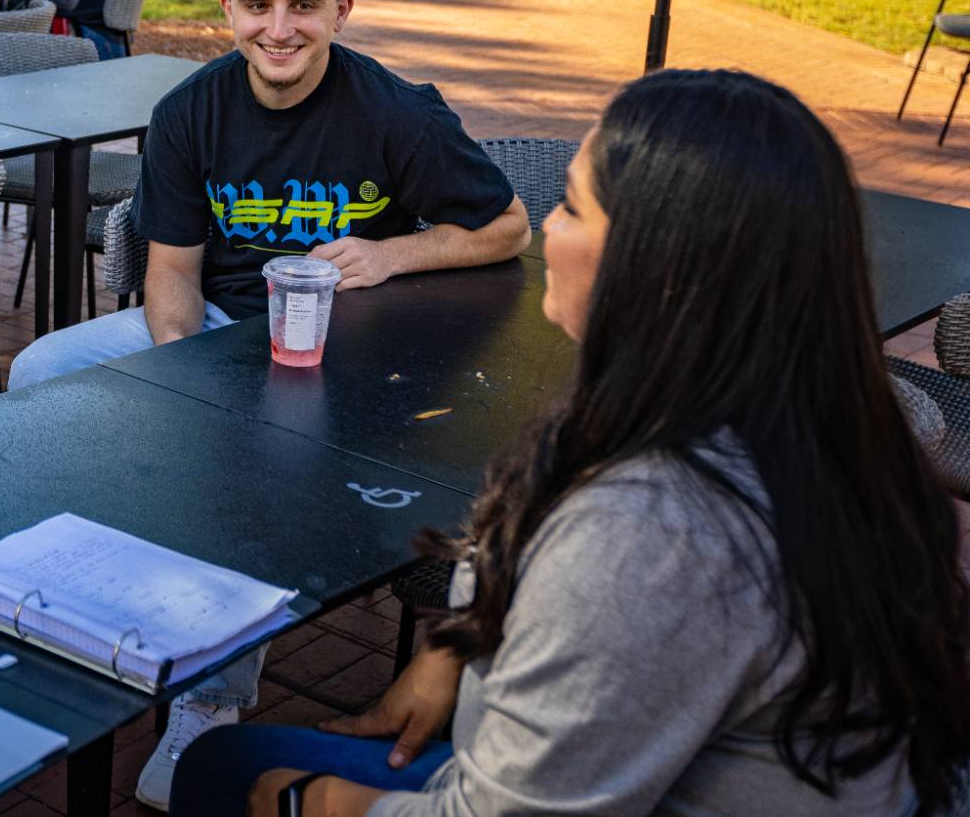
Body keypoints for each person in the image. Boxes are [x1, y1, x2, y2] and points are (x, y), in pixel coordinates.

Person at [171, 69, 970, 817]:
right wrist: (451, 649)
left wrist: (301, 800)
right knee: (223, 763)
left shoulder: (652, 530)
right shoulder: (806, 415)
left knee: (225, 775)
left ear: (658, 265)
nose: (545, 225)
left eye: (576, 208)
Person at [6, 0, 528, 806]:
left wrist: (390, 253)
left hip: (356, 359)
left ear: (342, 8)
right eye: (257, 4)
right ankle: (83, 607)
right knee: (38, 374)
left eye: (302, 5)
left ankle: (211, 698)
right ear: (227, 8)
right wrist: (183, 373)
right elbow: (170, 271)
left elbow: (507, 226)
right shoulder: (189, 111)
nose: (278, 29)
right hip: (215, 329)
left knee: (253, 468)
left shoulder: (393, 111)